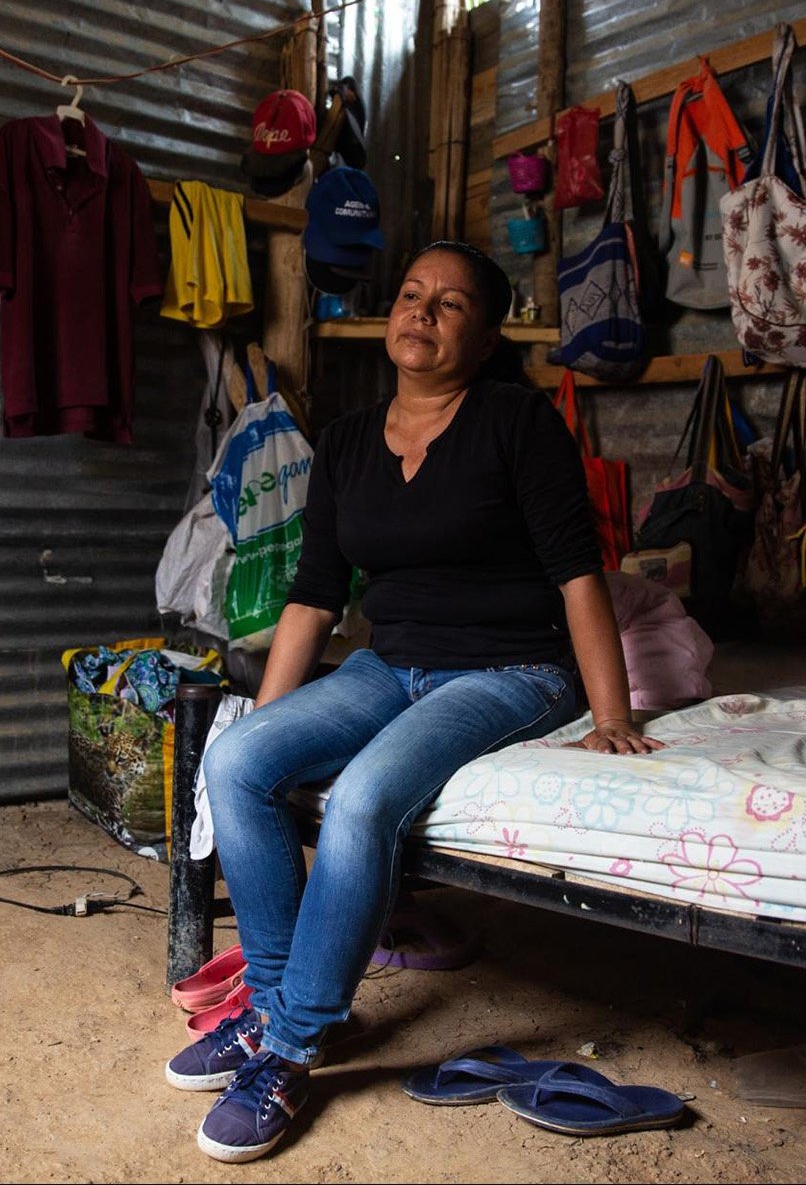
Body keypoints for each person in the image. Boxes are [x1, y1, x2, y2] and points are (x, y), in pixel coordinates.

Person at [165, 241, 662, 1163]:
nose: (422, 313)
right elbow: (314, 597)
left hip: (509, 671)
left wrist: (612, 714)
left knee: (363, 797)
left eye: (451, 304)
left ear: (485, 334)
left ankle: (291, 1045)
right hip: (389, 664)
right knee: (235, 761)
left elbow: (577, 576)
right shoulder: (348, 441)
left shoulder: (518, 423)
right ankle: (278, 1011)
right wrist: (265, 723)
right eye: (410, 295)